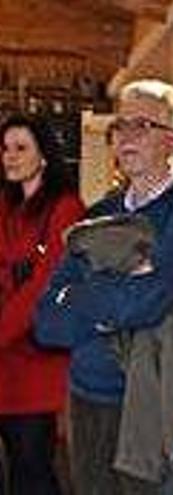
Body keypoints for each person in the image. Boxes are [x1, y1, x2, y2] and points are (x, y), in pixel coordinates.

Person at [35, 79, 173, 494]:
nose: (124, 137)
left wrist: (84, 299)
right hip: (87, 398)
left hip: (156, 405)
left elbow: (146, 304)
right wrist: (114, 297)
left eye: (140, 125)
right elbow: (47, 319)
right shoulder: (100, 213)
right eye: (119, 127)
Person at [0, 114, 85, 495]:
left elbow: (44, 285)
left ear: (45, 156)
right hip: (4, 358)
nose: (10, 157)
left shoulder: (66, 208)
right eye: (5, 149)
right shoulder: (5, 206)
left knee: (32, 472)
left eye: (21, 148)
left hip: (37, 364)